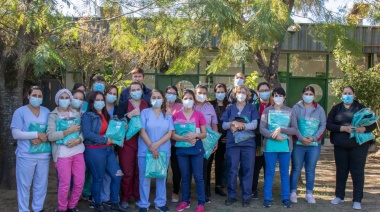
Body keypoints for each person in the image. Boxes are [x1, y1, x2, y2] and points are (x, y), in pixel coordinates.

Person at [326, 86, 376, 210]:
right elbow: (329, 125)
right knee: (341, 171)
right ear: (341, 95)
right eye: (345, 93)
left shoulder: (361, 108)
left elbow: (373, 124)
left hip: (358, 146)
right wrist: (343, 128)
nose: (347, 95)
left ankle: (357, 199)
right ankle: (339, 196)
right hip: (340, 146)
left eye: (349, 93)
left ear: (354, 95)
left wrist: (363, 129)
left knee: (357, 172)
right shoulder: (336, 108)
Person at [82, 91, 127, 212]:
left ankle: (114, 203)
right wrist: (104, 139)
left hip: (108, 150)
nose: (100, 102)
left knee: (117, 175)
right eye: (97, 100)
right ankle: (97, 204)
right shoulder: (88, 116)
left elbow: (112, 129)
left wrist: (122, 127)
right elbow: (87, 134)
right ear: (92, 102)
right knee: (99, 178)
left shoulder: (105, 114)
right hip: (94, 151)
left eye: (102, 100)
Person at [11, 86, 51, 212]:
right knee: (24, 185)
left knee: (41, 185)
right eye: (34, 95)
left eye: (39, 96)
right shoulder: (20, 112)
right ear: (28, 96)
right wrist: (35, 134)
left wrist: (40, 138)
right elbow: (16, 134)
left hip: (43, 155)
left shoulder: (46, 111)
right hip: (26, 155)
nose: (37, 98)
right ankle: (23, 209)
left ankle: (38, 208)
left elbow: (50, 131)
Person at [220, 85, 260, 207]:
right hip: (233, 144)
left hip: (248, 144)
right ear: (235, 94)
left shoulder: (252, 108)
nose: (241, 94)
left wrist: (241, 126)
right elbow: (223, 125)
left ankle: (246, 196)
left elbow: (254, 124)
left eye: (243, 92)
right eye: (239, 92)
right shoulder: (230, 108)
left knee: (248, 169)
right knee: (232, 169)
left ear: (247, 95)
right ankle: (231, 195)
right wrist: (232, 123)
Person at [46, 89, 85, 212]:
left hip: (77, 152)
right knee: (65, 184)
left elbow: (82, 132)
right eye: (61, 97)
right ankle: (62, 208)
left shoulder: (76, 114)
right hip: (62, 154)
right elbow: (50, 136)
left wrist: (78, 140)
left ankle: (72, 206)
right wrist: (68, 131)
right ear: (57, 100)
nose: (64, 100)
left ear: (70, 100)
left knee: (79, 182)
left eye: (67, 97)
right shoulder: (53, 116)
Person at [260, 87, 298, 208]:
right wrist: (274, 136)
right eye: (276, 95)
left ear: (284, 97)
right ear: (272, 97)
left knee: (284, 173)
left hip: (285, 148)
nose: (278, 98)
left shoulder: (290, 111)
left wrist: (281, 129)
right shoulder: (267, 111)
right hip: (270, 147)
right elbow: (262, 129)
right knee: (269, 172)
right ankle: (267, 197)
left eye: (280, 95)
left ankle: (285, 198)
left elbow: (294, 129)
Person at [137, 89, 173, 212]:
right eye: (154, 97)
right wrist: (151, 146)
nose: (156, 99)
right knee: (144, 178)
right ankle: (143, 204)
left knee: (161, 177)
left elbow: (169, 133)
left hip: (163, 151)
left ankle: (160, 203)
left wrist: (156, 145)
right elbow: (142, 131)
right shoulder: (145, 113)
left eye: (159, 97)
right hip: (145, 150)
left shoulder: (167, 115)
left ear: (163, 99)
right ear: (150, 99)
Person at [290, 86, 326, 204]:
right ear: (302, 95)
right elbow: (293, 124)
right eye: (306, 93)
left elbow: (323, 125)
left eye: (311, 94)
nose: (308, 96)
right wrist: (301, 138)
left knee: (310, 169)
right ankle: (293, 192)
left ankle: (309, 193)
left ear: (314, 96)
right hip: (298, 144)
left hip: (314, 145)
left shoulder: (320, 109)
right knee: (296, 168)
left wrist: (313, 138)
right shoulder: (296, 108)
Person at [172, 89, 207, 212]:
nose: (188, 101)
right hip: (182, 150)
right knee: (185, 177)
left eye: (191, 98)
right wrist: (185, 138)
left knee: (198, 177)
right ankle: (185, 201)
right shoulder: (176, 115)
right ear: (182, 100)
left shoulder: (199, 115)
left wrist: (195, 135)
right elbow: (172, 135)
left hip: (196, 149)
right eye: (186, 98)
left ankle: (201, 203)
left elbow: (204, 134)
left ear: (194, 100)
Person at [117, 82, 149, 209]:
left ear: (142, 91)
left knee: (139, 171)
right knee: (127, 171)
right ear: (129, 92)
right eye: (133, 90)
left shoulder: (147, 105)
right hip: (127, 143)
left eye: (138, 89)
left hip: (143, 142)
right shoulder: (123, 105)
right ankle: (125, 197)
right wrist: (129, 115)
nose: (135, 91)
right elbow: (117, 122)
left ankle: (138, 196)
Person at [193, 84, 218, 203]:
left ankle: (205, 192)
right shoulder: (189, 106)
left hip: (207, 141)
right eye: (199, 93)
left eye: (204, 93)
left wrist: (215, 140)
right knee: (193, 168)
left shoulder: (210, 107)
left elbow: (214, 124)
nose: (201, 95)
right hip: (192, 141)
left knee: (205, 167)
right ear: (194, 94)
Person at [251, 82, 271, 199]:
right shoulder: (253, 106)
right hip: (257, 142)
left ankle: (267, 191)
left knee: (268, 168)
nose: (264, 92)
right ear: (258, 92)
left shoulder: (275, 105)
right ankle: (254, 189)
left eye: (266, 90)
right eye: (262, 90)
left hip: (271, 141)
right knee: (256, 167)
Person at [209, 83, 229, 197]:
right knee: (209, 162)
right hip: (211, 138)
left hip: (225, 139)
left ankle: (218, 186)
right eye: (218, 91)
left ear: (226, 92)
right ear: (215, 92)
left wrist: (229, 137)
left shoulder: (229, 105)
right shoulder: (210, 104)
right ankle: (207, 186)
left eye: (222, 91)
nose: (220, 94)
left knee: (220, 163)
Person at [102, 85, 120, 205]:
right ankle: (101, 198)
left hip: (112, 146)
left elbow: (121, 124)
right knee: (100, 174)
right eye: (110, 93)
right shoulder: (98, 108)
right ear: (105, 94)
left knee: (114, 173)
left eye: (114, 94)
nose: (112, 95)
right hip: (98, 146)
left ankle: (110, 197)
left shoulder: (118, 109)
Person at [165, 85, 183, 203]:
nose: (171, 95)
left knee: (176, 169)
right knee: (163, 168)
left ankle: (175, 191)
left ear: (176, 96)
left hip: (176, 143)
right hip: (163, 142)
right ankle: (162, 191)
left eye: (173, 93)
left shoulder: (180, 107)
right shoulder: (160, 106)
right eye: (168, 92)